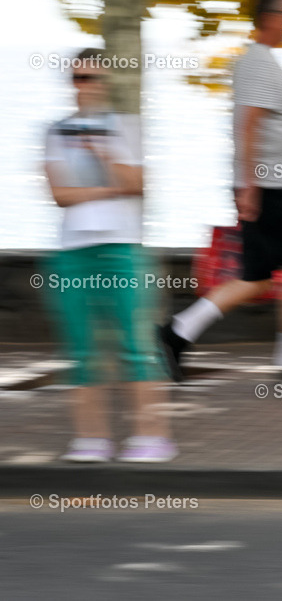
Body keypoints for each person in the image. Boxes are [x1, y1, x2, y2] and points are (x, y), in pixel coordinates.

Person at [157, 0, 282, 389]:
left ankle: (175, 332)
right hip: (266, 186)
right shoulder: (256, 61)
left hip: (264, 183)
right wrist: (249, 186)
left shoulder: (262, 60)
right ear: (270, 17)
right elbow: (247, 124)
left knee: (258, 277)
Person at [43, 48, 176, 463]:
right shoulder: (55, 131)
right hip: (74, 252)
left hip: (122, 249)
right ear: (72, 83)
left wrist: (103, 154)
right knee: (82, 348)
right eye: (79, 78)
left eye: (94, 78)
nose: (87, 86)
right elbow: (60, 194)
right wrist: (105, 190)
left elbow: (137, 184)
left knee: (136, 346)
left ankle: (153, 436)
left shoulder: (124, 128)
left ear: (106, 83)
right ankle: (91, 439)